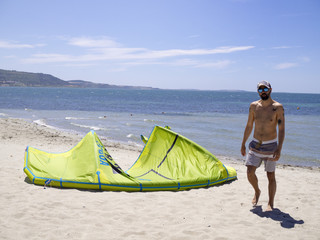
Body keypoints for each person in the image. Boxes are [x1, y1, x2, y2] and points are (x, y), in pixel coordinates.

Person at [241, 81, 285, 211]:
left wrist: (279, 148)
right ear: (258, 92)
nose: (263, 92)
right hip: (255, 145)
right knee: (249, 173)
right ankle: (257, 191)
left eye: (265, 89)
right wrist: (243, 143)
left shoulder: (278, 107)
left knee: (270, 176)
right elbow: (249, 125)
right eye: (260, 90)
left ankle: (270, 203)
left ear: (270, 89)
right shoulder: (254, 106)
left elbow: (281, 129)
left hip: (271, 147)